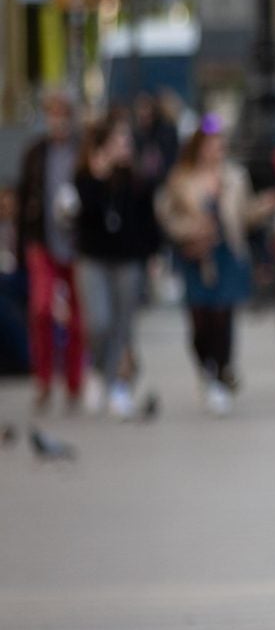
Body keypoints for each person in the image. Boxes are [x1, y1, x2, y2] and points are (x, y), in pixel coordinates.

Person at [156, 127, 256, 415]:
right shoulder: (181, 178)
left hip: (227, 254)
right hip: (196, 257)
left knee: (223, 316)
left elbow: (245, 214)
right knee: (200, 320)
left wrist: (263, 208)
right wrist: (190, 231)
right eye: (211, 145)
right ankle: (207, 369)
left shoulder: (234, 177)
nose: (216, 151)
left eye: (220, 145)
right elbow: (167, 215)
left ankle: (221, 372)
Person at [74, 119, 159, 419]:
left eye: (127, 141)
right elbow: (81, 215)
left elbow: (149, 222)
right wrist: (98, 178)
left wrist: (153, 257)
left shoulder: (137, 180)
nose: (125, 146)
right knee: (98, 321)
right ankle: (97, 369)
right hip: (93, 258)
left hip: (128, 259)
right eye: (119, 141)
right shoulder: (85, 177)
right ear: (104, 145)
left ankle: (117, 386)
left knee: (123, 326)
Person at [14, 93, 86, 413]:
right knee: (41, 310)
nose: (58, 122)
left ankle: (73, 381)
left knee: (77, 318)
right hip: (42, 241)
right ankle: (43, 379)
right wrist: (21, 246)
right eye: (52, 115)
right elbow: (22, 200)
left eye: (63, 115)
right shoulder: (35, 154)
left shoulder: (82, 152)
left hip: (77, 245)